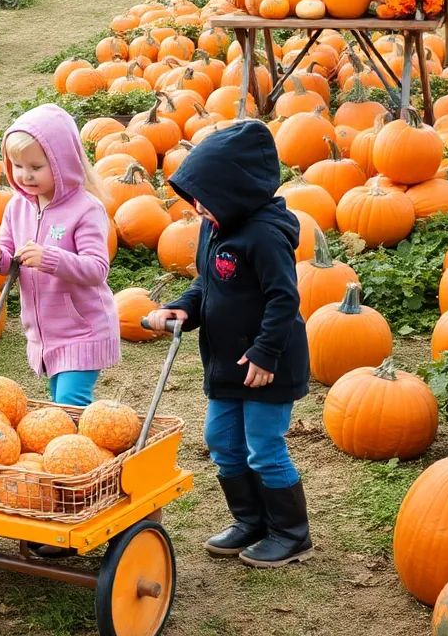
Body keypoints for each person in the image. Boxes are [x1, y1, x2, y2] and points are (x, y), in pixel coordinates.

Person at [146, 120, 312, 569]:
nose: (198, 206)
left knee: (264, 445)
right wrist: (184, 307)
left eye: (207, 196)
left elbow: (284, 298)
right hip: (225, 362)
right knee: (221, 440)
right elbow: (209, 283)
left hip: (265, 364)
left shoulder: (263, 235)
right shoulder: (215, 225)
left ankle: (290, 533)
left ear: (237, 191)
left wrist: (265, 351)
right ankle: (250, 520)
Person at [0, 104, 120, 408]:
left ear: (61, 163)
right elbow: (10, 261)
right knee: (58, 403)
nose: (24, 175)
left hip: (82, 329)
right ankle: (71, 451)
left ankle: (78, 454)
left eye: (35, 167)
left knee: (70, 402)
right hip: (44, 334)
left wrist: (51, 259)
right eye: (17, 166)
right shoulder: (17, 207)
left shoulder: (85, 209)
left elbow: (97, 269)